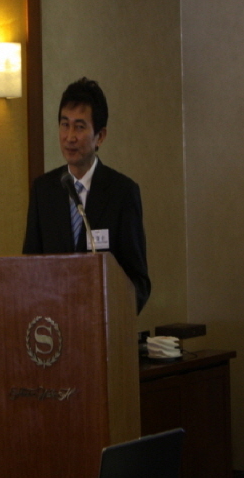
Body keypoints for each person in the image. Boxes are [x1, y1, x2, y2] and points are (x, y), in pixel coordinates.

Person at [22, 77, 150, 313]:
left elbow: (138, 282)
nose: (70, 137)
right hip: (53, 325)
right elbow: (29, 268)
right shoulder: (44, 190)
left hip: (102, 324)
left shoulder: (122, 192)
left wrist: (112, 314)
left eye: (79, 127)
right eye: (65, 124)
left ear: (100, 136)